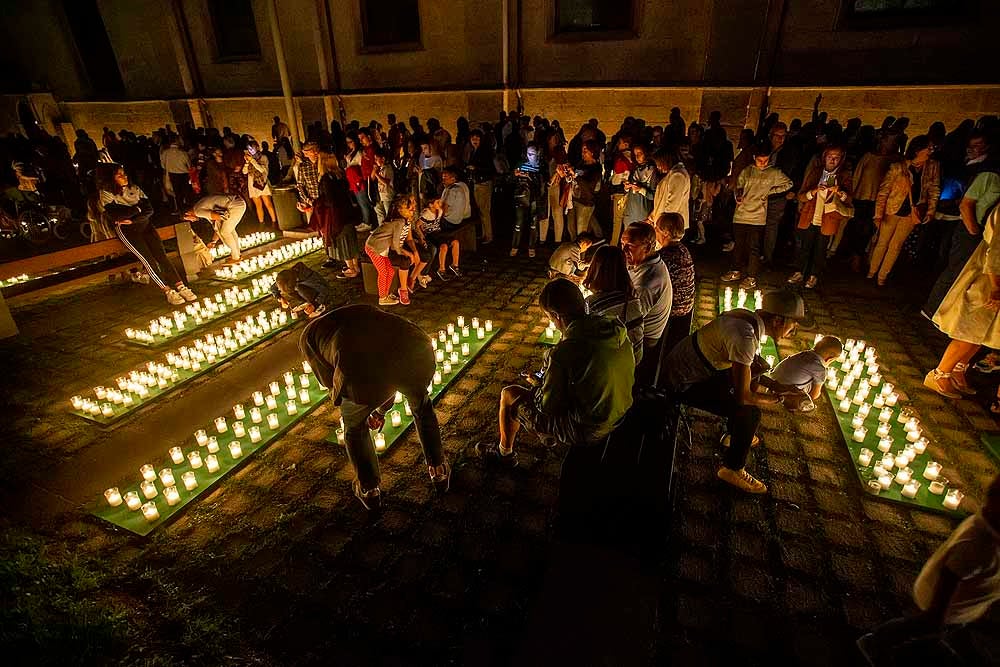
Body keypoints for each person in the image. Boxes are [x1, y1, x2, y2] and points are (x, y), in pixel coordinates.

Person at [299, 305, 450, 511]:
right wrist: (380, 410)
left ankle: (369, 489)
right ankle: (438, 469)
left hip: (366, 370)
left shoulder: (308, 340)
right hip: (417, 350)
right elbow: (392, 371)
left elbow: (334, 386)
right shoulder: (362, 312)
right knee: (422, 406)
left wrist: (367, 408)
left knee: (354, 427)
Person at [475, 278, 635, 467]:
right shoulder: (614, 329)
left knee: (509, 395)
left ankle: (504, 454)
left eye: (550, 318)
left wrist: (539, 386)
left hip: (589, 428)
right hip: (620, 411)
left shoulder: (563, 352)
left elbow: (548, 407)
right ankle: (546, 436)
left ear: (556, 316)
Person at [663, 290, 806, 493]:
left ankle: (734, 435)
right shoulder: (745, 337)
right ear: (777, 320)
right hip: (682, 383)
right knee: (750, 412)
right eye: (793, 323)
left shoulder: (744, 317)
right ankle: (732, 468)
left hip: (693, 368)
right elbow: (744, 396)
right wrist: (780, 398)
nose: (795, 329)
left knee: (755, 371)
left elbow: (746, 371)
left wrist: (778, 386)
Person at [856, 472, 1000, 666]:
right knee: (913, 627)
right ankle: (876, 642)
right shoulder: (978, 545)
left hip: (965, 608)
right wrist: (935, 617)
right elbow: (950, 578)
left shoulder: (990, 538)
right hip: (940, 606)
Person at [927, 199, 1000, 399]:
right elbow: (996, 250)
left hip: (993, 276)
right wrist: (995, 287)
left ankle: (958, 370)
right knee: (970, 331)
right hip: (988, 276)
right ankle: (939, 373)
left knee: (982, 335)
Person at [96, 163, 197, 305]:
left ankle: (180, 286)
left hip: (146, 226)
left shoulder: (135, 188)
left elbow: (149, 210)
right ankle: (168, 290)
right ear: (110, 178)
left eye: (124, 173)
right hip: (128, 232)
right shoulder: (107, 194)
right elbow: (116, 215)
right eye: (119, 175)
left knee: (162, 257)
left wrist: (133, 217)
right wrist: (138, 209)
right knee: (148, 260)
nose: (124, 177)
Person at [924, 136, 1000, 317]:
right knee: (955, 270)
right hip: (972, 229)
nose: (972, 149)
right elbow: (966, 204)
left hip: (982, 232)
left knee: (965, 272)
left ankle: (948, 312)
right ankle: (933, 311)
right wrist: (974, 231)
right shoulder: (988, 176)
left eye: (978, 145)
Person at [868, 135, 941, 286]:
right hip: (891, 210)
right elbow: (884, 191)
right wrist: (878, 214)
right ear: (918, 149)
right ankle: (872, 272)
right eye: (929, 147)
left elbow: (934, 190)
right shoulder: (898, 167)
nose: (931, 150)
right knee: (882, 242)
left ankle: (882, 277)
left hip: (912, 213)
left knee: (896, 246)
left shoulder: (933, 166)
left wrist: (930, 211)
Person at [722, 144, 793, 290]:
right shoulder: (747, 171)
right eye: (760, 161)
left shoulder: (774, 173)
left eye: (766, 161)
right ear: (755, 158)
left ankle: (751, 276)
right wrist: (738, 195)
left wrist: (771, 192)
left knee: (753, 247)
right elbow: (739, 186)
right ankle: (735, 270)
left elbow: (788, 183)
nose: (763, 164)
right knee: (739, 245)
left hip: (758, 216)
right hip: (741, 214)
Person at [787, 144, 853, 289]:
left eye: (837, 157)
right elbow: (802, 195)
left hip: (827, 219)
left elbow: (848, 199)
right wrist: (815, 191)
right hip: (810, 216)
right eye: (830, 156)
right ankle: (799, 272)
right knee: (805, 246)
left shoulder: (843, 176)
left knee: (820, 249)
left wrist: (839, 192)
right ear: (824, 157)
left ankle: (813, 275)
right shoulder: (816, 172)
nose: (833, 160)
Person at [622, 222, 672, 386]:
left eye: (629, 246)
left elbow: (629, 320)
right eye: (622, 244)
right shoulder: (649, 262)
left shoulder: (648, 283)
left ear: (648, 246)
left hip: (647, 338)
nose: (624, 251)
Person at [583, 245, 644, 364]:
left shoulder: (592, 303)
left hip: (613, 365)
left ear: (595, 269)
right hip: (635, 357)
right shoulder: (634, 300)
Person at [365, 194, 421, 306]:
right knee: (383, 272)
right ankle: (382, 298)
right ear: (399, 210)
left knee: (390, 271)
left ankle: (386, 293)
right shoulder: (399, 222)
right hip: (374, 248)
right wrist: (408, 253)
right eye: (408, 207)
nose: (412, 209)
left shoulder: (403, 221)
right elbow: (396, 245)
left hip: (382, 249)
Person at [654, 212, 696, 355]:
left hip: (673, 310)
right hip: (688, 307)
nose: (655, 231)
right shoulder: (684, 250)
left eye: (657, 228)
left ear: (665, 233)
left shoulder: (663, 257)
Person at [314, 153, 360, 276]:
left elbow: (329, 200)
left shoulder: (326, 179)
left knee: (343, 240)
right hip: (348, 211)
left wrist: (317, 202)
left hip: (336, 214)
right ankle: (356, 266)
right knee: (351, 238)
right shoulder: (341, 175)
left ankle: (351, 268)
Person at [770, 335, 843, 402]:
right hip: (783, 392)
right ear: (829, 359)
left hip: (771, 380)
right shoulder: (820, 369)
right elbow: (814, 395)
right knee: (813, 385)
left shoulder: (803, 354)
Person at [184, 194, 248, 263]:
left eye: (189, 219)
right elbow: (217, 224)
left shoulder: (197, 212)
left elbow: (218, 217)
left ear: (188, 214)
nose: (192, 221)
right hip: (237, 202)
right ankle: (237, 255)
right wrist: (213, 241)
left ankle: (235, 258)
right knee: (229, 230)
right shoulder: (198, 206)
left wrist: (222, 220)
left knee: (225, 232)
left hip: (235, 206)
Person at [510, 142, 544, 257]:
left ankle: (531, 247)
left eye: (532, 154)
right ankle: (515, 246)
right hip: (521, 197)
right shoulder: (521, 164)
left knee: (533, 223)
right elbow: (511, 179)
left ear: (538, 153)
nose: (530, 156)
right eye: (528, 154)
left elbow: (542, 183)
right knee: (519, 222)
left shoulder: (541, 166)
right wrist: (515, 175)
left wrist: (530, 177)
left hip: (534, 197)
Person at [646, 147, 691, 232]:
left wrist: (662, 225)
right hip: (665, 224)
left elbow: (672, 205)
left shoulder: (678, 175)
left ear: (665, 160)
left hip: (670, 227)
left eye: (658, 163)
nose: (658, 167)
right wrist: (651, 218)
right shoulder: (672, 174)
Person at [620, 142, 659, 238]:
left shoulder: (652, 172)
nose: (637, 157)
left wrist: (641, 189)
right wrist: (626, 187)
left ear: (646, 153)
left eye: (640, 153)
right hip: (630, 211)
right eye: (635, 154)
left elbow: (655, 196)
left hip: (643, 212)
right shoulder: (635, 170)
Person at [567, 139, 603, 239]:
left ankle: (580, 254)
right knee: (571, 229)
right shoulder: (581, 164)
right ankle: (574, 252)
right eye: (582, 150)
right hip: (574, 200)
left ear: (592, 152)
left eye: (585, 151)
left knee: (581, 233)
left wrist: (576, 176)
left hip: (585, 202)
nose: (582, 153)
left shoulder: (596, 168)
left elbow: (589, 186)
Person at [272, 262, 336, 318]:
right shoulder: (284, 278)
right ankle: (308, 301)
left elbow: (324, 290)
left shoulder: (308, 276)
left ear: (296, 280)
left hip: (318, 289)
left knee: (300, 288)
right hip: (303, 287)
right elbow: (273, 288)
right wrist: (281, 299)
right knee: (291, 290)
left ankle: (320, 306)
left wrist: (315, 304)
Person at [466, 129, 496, 244]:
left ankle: (488, 235)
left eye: (477, 138)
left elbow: (490, 168)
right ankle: (485, 234)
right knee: (481, 210)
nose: (474, 141)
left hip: (483, 183)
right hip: (477, 182)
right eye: (473, 138)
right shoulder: (474, 151)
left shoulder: (484, 152)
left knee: (484, 210)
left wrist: (476, 168)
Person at [242, 139, 276, 226]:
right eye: (249, 149)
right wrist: (246, 162)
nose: (251, 151)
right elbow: (244, 172)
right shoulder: (249, 159)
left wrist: (253, 161)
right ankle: (262, 224)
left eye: (252, 148)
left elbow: (262, 170)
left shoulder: (263, 157)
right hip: (252, 184)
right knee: (258, 205)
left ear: (257, 147)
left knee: (268, 203)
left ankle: (274, 222)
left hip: (262, 183)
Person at [161, 138, 192, 210]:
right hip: (184, 175)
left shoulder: (165, 153)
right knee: (186, 192)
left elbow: (163, 165)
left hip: (172, 174)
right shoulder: (183, 153)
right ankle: (188, 208)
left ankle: (180, 208)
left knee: (177, 193)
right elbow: (189, 165)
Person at [371, 150, 395, 226]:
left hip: (387, 195)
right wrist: (374, 170)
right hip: (380, 195)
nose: (375, 161)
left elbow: (386, 182)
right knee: (380, 212)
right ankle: (381, 228)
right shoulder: (380, 169)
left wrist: (377, 175)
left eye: (376, 158)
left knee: (389, 215)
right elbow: (372, 178)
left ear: (383, 159)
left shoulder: (388, 168)